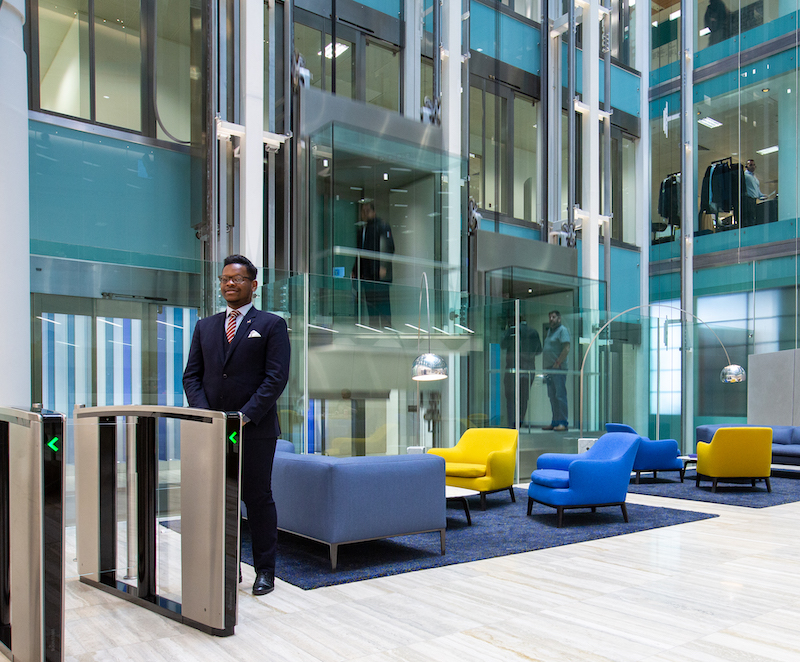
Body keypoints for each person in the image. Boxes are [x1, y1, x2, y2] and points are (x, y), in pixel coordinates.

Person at [183, 254, 290, 596]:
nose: (230, 283)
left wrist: (243, 415)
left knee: (257, 499)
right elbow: (192, 377)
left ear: (253, 285)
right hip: (212, 431)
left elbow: (275, 379)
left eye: (237, 279)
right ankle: (226, 565)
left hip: (255, 430)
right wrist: (207, 417)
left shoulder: (272, 325)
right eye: (225, 279)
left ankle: (265, 571)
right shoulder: (205, 326)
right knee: (217, 499)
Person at [351, 201, 395, 329]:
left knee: (383, 303)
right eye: (363, 211)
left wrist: (384, 266)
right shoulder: (362, 230)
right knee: (370, 304)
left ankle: (387, 328)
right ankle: (374, 329)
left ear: (373, 212)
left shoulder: (382, 226)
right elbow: (359, 252)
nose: (365, 214)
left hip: (379, 274)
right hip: (367, 274)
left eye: (367, 211)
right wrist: (355, 270)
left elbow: (388, 247)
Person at [501, 315, 541, 427]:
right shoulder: (533, 332)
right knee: (523, 398)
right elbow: (538, 351)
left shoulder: (511, 331)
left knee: (510, 397)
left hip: (513, 369)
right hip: (528, 370)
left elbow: (503, 345)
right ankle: (519, 423)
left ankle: (512, 424)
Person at [542, 310, 571, 432]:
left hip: (558, 369)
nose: (551, 319)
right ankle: (554, 422)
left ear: (559, 318)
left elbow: (566, 348)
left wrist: (558, 362)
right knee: (552, 396)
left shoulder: (562, 330)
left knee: (560, 396)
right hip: (549, 369)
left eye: (553, 317)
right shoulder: (550, 331)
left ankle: (563, 423)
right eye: (550, 317)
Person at [743, 158, 767, 226]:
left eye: (754, 165)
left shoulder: (754, 177)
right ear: (746, 166)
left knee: (754, 217)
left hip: (754, 200)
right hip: (748, 199)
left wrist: (762, 195)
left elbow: (757, 190)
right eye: (751, 165)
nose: (753, 167)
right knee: (750, 218)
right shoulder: (745, 176)